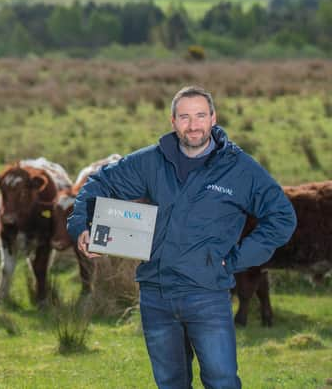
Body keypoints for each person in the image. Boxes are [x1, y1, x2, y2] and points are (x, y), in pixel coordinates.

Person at [67, 85, 296, 389]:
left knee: (221, 381)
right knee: (171, 382)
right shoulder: (151, 161)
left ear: (213, 118)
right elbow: (98, 183)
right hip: (156, 295)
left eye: (201, 115)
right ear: (172, 121)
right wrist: (81, 225)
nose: (193, 125)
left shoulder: (239, 169)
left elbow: (282, 216)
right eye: (185, 117)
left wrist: (236, 260)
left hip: (208, 294)